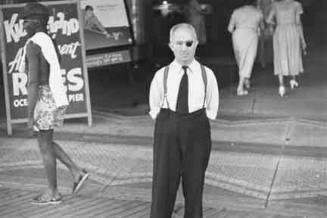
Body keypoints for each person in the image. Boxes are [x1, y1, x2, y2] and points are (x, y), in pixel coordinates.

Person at [19, 2, 89, 204]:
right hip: (56, 96)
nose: (23, 24)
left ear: (37, 21)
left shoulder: (33, 44)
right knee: (46, 142)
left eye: (26, 20)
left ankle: (53, 192)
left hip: (43, 98)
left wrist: (29, 113)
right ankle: (76, 172)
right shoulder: (48, 40)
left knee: (44, 146)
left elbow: (33, 82)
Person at [149, 23, 219, 218]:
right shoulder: (161, 75)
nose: (183, 48)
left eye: (188, 43)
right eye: (178, 43)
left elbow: (212, 107)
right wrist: (169, 122)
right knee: (163, 181)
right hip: (167, 125)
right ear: (171, 45)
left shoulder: (208, 75)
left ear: (196, 44)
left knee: (194, 182)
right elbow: (155, 106)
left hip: (197, 127)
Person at [266, 0, 307, 97]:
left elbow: (268, 20)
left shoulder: (275, 5)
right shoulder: (296, 4)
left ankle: (281, 86)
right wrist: (302, 40)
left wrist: (276, 24)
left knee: (280, 56)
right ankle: (293, 79)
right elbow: (298, 23)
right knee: (293, 54)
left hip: (280, 31)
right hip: (292, 30)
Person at [228, 0, 264, 95]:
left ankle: (246, 80)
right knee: (248, 60)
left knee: (240, 60)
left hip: (237, 34)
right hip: (251, 35)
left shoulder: (236, 11)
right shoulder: (258, 12)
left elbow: (230, 29)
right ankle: (240, 87)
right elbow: (262, 28)